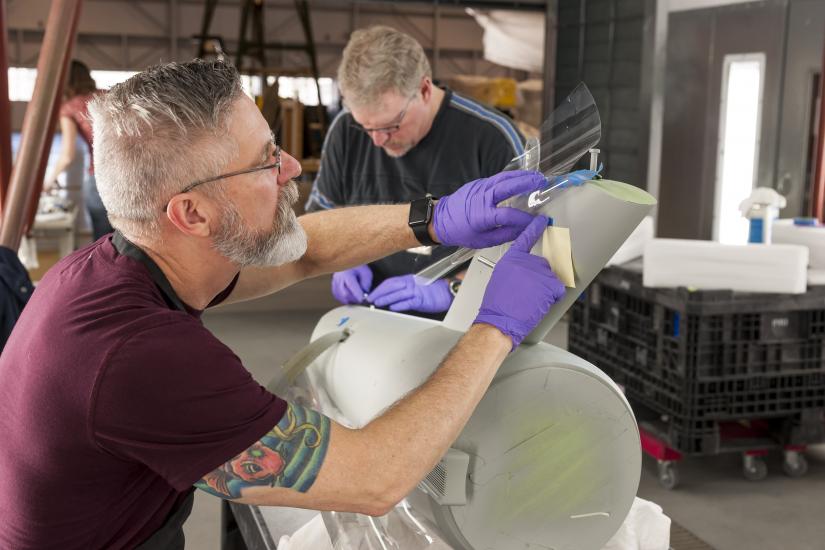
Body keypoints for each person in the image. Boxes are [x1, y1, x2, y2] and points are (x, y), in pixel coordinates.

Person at [0, 60, 565, 549]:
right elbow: (374, 478)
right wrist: (494, 326)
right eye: (266, 161)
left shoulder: (116, 265)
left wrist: (432, 219)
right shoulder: (142, 357)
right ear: (192, 214)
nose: (292, 167)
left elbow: (299, 255)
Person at [305, 25, 527, 316]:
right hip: (373, 316)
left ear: (423, 89)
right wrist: (344, 260)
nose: (377, 140)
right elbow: (319, 222)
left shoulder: (493, 138)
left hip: (465, 321)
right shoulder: (346, 132)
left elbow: (528, 249)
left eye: (390, 125)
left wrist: (453, 289)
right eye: (365, 126)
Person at [45, 59, 114, 240]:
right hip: (134, 171)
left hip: (102, 174)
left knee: (103, 237)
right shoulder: (109, 96)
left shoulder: (69, 108)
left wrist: (49, 181)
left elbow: (67, 155)